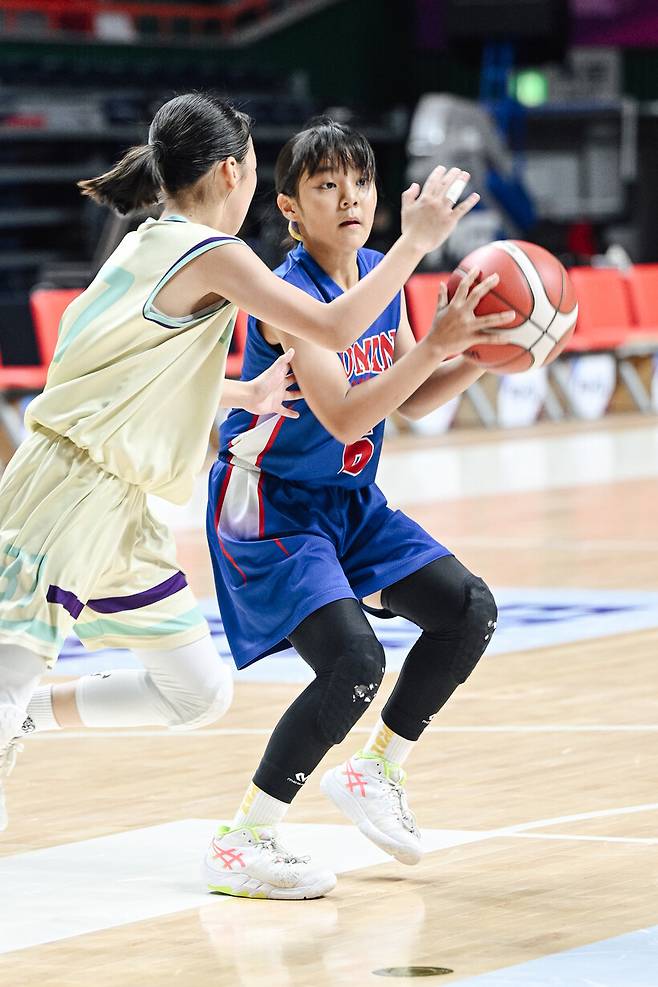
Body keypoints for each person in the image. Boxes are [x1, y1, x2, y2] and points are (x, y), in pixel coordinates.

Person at [0, 92, 481, 832]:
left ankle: (31, 712)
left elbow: (122, 368)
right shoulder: (213, 253)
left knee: (196, 693)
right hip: (70, 493)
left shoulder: (149, 243)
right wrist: (417, 243)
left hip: (124, 504)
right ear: (234, 173)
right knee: (9, 672)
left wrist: (242, 391)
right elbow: (333, 329)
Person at [204, 119, 514, 900]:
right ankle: (243, 838)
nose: (350, 197)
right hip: (269, 505)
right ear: (290, 207)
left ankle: (377, 768)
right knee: (353, 660)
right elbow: (345, 415)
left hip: (347, 500)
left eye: (361, 182)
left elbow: (407, 400)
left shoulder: (378, 273)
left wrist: (484, 352)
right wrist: (432, 334)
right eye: (327, 185)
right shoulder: (286, 295)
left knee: (467, 609)